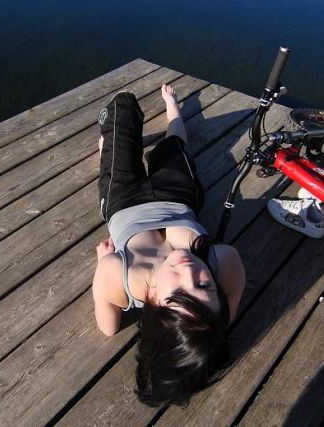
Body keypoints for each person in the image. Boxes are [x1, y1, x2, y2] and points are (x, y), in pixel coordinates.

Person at [92, 84, 246, 407]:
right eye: (204, 285)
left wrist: (103, 263)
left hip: (124, 200)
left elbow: (108, 327)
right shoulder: (223, 261)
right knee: (174, 147)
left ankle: (111, 147)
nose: (190, 272)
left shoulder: (121, 275)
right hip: (177, 196)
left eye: (178, 293)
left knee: (122, 108)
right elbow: (226, 308)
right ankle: (172, 106)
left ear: (151, 303)